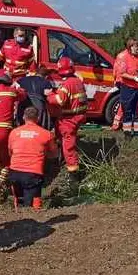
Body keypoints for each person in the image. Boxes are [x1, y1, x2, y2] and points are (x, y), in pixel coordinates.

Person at [46, 57, 88, 199]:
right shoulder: (77, 81)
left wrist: (50, 95)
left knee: (68, 147)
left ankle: (73, 176)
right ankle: (61, 162)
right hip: (77, 117)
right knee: (60, 139)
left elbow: (59, 101)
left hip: (69, 120)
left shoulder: (66, 85)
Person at [7, 107, 58, 209]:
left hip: (14, 173)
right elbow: (54, 154)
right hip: (32, 175)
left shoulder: (13, 132)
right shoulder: (47, 134)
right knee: (30, 206)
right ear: (38, 118)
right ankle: (34, 212)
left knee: (18, 203)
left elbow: (10, 152)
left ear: (23, 117)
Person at [114, 39, 138, 137]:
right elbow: (122, 73)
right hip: (127, 88)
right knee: (127, 111)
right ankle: (127, 133)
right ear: (130, 47)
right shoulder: (125, 58)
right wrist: (134, 78)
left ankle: (137, 133)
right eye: (136, 46)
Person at [110, 46, 129, 131]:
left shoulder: (120, 55)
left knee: (123, 103)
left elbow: (115, 69)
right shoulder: (129, 57)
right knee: (125, 104)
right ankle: (118, 124)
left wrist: (115, 79)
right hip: (126, 82)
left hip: (119, 81)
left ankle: (117, 123)